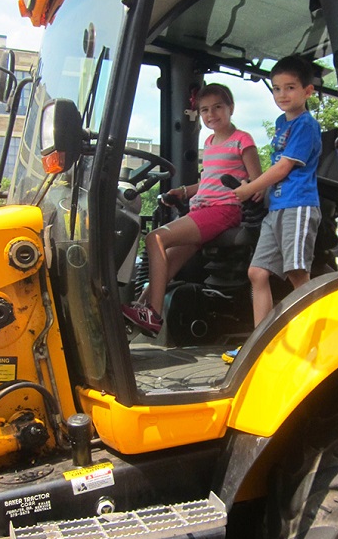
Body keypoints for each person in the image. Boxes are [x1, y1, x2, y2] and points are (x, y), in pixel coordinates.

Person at [122, 83, 262, 337]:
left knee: (156, 238)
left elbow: (257, 182)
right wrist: (185, 191)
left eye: (218, 107)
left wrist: (247, 189)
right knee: (169, 260)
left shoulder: (242, 140)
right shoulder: (209, 142)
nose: (211, 114)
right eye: (205, 110)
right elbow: (209, 179)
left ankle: (153, 314)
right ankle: (141, 308)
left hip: (223, 210)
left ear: (231, 107)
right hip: (201, 210)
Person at [225, 55, 321, 359]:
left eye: (290, 88)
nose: (282, 95)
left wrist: (250, 188)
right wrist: (259, 194)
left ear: (308, 91)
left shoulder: (306, 125)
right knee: (257, 272)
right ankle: (261, 342)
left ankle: (313, 337)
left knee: (297, 272)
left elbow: (282, 169)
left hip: (298, 205)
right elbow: (275, 168)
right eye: (277, 88)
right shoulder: (282, 124)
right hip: (277, 207)